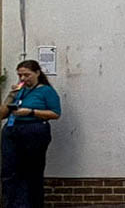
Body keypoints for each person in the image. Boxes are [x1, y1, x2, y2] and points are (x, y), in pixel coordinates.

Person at [0, 60, 61, 208]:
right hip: (12, 131)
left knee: (30, 171)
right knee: (9, 171)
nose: (23, 79)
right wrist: (11, 96)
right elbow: (2, 114)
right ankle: (12, 204)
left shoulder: (46, 91)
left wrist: (31, 112)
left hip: (34, 130)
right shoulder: (20, 91)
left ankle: (30, 204)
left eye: (27, 75)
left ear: (37, 73)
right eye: (20, 75)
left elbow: (55, 113)